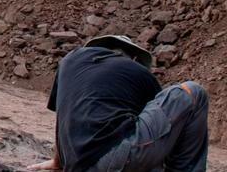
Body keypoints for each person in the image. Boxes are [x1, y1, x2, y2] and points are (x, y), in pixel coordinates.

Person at [29, 35, 209, 172]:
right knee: (192, 93)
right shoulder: (138, 71)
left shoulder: (69, 60)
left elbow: (64, 118)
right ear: (134, 58)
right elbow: (167, 129)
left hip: (77, 164)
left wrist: (58, 162)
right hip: (113, 158)